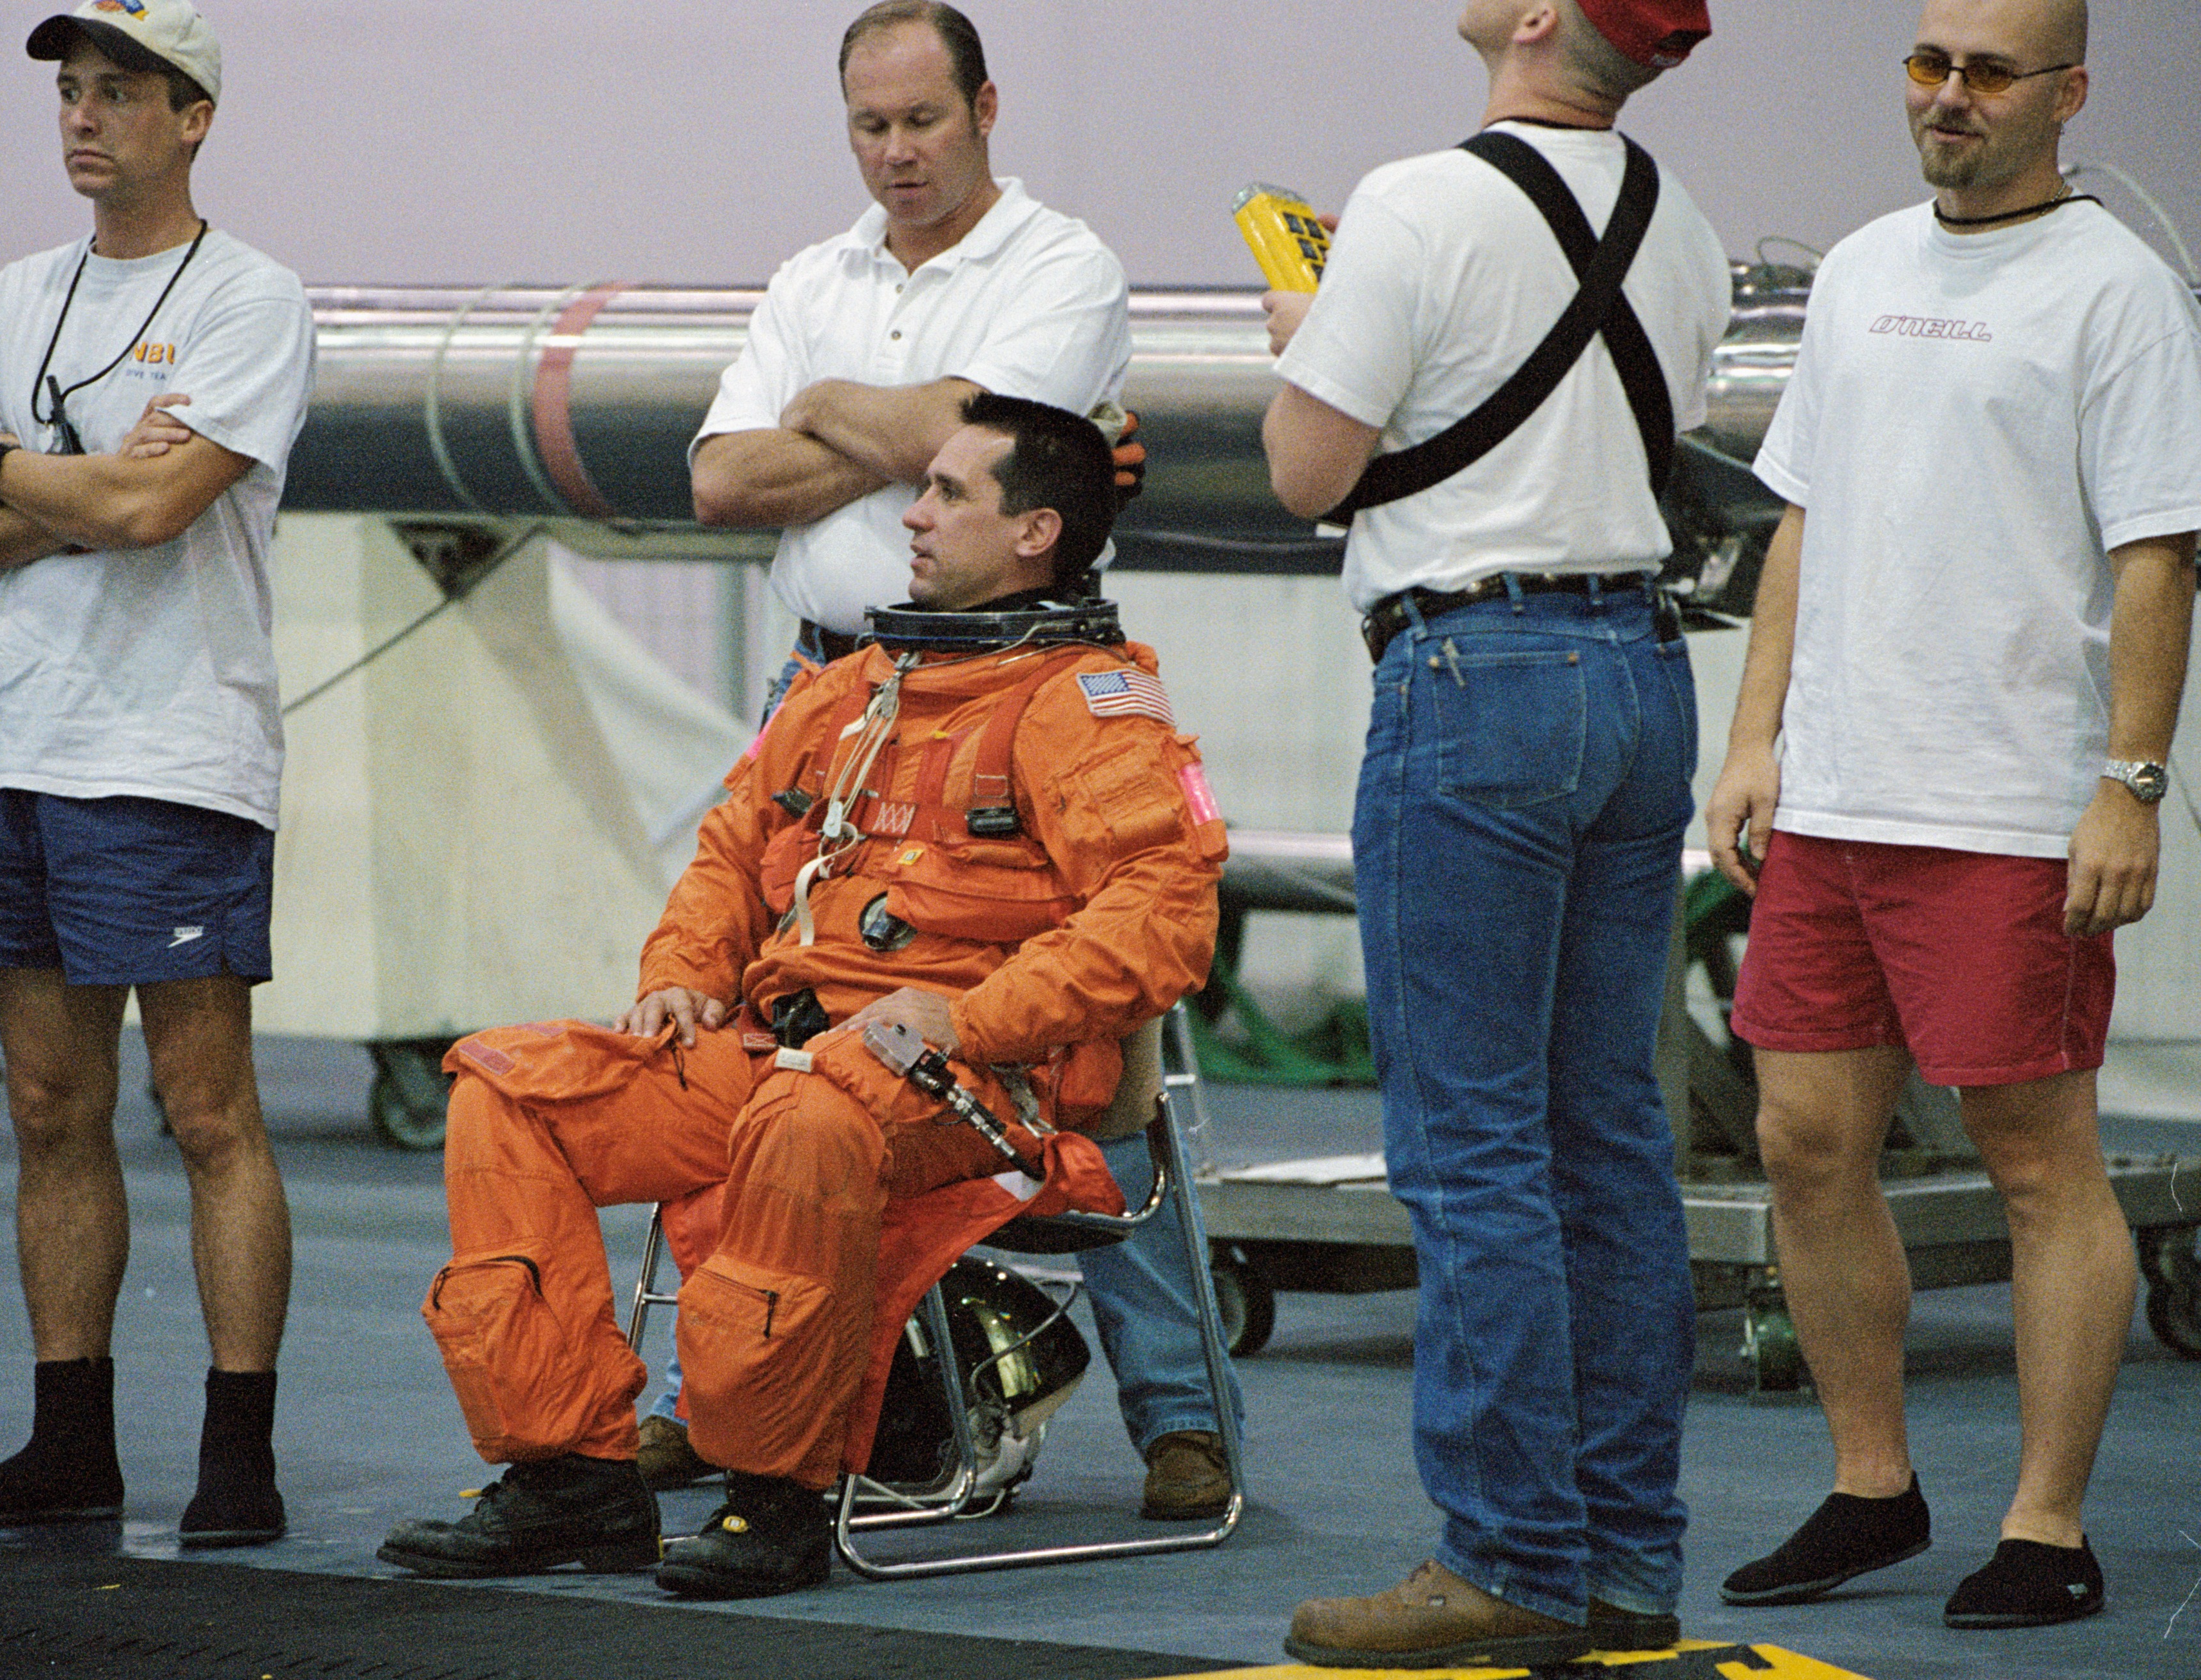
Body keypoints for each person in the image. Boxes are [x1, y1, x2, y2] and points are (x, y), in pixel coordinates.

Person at [378, 393, 1225, 1599]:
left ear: (1036, 533)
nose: (914, 516)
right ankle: (569, 1476)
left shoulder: (1085, 708)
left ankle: (774, 1495)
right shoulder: (855, 689)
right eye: (919, 490)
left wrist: (970, 1019)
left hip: (984, 1083)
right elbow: (730, 853)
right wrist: (678, 980)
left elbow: (1162, 919)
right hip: (792, 1056)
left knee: (809, 1116)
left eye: (947, 495)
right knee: (510, 1091)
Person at [673, 0, 1234, 1523]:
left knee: (1090, 1039)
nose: (896, 152)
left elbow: (999, 449)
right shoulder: (813, 274)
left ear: (986, 109)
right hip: (836, 689)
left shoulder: (1065, 266)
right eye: (869, 125)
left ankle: (1181, 1412)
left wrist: (835, 413)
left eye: (923, 120)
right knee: (771, 1026)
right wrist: (917, 424)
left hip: (1016, 689)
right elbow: (726, 478)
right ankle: (754, 1375)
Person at [1704, 0, 2201, 1634]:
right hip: (1835, 792)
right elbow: (1799, 523)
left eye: (1988, 72)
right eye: (1927, 64)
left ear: (2065, 91)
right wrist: (1753, 736)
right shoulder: (1854, 272)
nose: (1949, 97)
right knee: (1801, 1143)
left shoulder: (2115, 290)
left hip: (2004, 804)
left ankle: (2046, 1522)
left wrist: (2127, 784)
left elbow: (2155, 554)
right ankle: (1870, 1484)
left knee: (2035, 1160)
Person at [1260, 0, 1727, 1667]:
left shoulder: (1411, 203)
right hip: (1638, 665)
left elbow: (1309, 472)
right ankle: (1619, 1559)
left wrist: (1298, 327)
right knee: (1603, 1133)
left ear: (1535, 18)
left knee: (1470, 1146)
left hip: (1470, 674)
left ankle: (1507, 1554)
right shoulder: (1687, 226)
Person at [0, 0, 317, 1547]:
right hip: (25, 736)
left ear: (193, 116)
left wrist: (16, 467)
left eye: (119, 93)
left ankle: (239, 1447)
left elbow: (156, 516)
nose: (84, 118)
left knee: (206, 1102)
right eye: (72, 93)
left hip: (174, 744)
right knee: (43, 1102)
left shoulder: (252, 297)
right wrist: (84, 479)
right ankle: (69, 1429)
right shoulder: (18, 296)